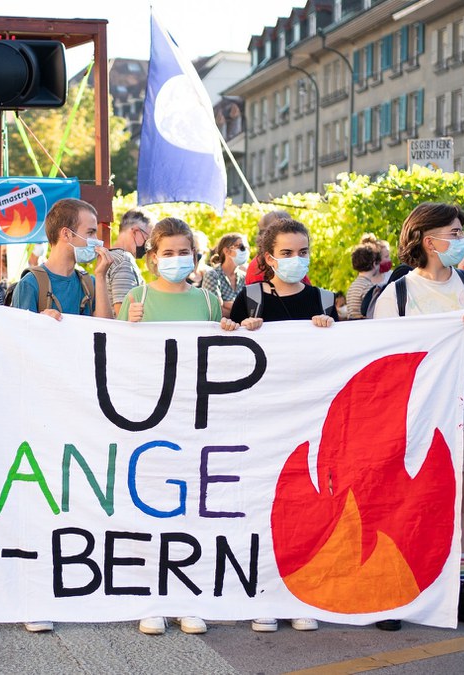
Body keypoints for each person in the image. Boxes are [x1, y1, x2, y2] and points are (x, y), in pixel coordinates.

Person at [373, 202, 464, 629]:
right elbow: (381, 362)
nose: (462, 240)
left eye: (461, 232)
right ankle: (394, 590)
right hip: (418, 418)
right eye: (455, 233)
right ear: (429, 240)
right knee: (408, 499)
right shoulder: (398, 294)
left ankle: (461, 591)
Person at [222, 217, 334, 633]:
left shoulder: (323, 300)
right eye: (286, 253)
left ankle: (299, 594)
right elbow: (228, 352)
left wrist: (329, 330)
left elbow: (339, 358)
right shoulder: (248, 297)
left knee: (305, 510)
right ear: (269, 258)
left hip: (308, 419)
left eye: (302, 252)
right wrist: (240, 331)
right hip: (259, 419)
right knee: (259, 507)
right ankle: (262, 594)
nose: (295, 260)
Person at [116, 216, 220, 638]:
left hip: (194, 420)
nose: (177, 259)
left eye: (184, 252)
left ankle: (185, 597)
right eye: (168, 253)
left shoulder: (208, 302)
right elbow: (118, 355)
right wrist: (130, 326)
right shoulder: (136, 299)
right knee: (149, 508)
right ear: (152, 258)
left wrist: (234, 328)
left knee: (191, 510)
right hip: (148, 419)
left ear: (194, 255)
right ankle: (151, 597)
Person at [10, 198, 113, 321]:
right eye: (90, 233)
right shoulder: (30, 284)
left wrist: (101, 276)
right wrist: (40, 323)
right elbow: (19, 335)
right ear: (66, 234)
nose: (96, 241)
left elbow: (105, 330)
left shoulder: (90, 283)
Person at [107, 208, 152, 315]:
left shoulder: (110, 257)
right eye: (148, 239)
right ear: (136, 232)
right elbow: (123, 312)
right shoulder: (124, 261)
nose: (149, 246)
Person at [202, 233, 248, 319]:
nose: (245, 251)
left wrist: (226, 304)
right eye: (241, 247)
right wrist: (242, 311)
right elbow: (215, 311)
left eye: (246, 248)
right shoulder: (212, 275)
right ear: (226, 251)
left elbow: (251, 308)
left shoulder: (244, 277)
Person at [344, 242, 381, 319]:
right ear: (374, 264)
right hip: (364, 326)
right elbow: (372, 311)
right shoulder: (368, 287)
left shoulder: (352, 286)